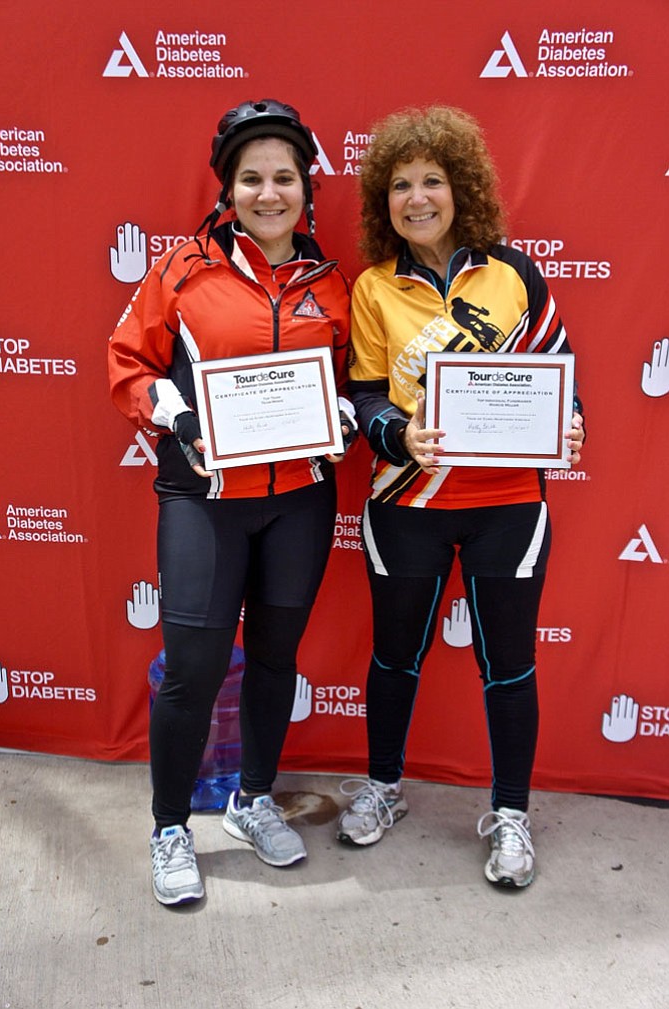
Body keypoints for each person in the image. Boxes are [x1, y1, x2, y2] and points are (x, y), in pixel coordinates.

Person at [108, 99, 354, 906]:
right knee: (193, 669)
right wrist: (172, 411)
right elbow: (126, 363)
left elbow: (350, 380)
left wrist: (347, 414)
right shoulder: (183, 268)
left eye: (284, 176)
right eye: (252, 177)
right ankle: (171, 826)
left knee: (276, 659)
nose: (269, 191)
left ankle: (252, 800)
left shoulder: (330, 281)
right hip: (205, 499)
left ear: (305, 188)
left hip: (300, 503)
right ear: (229, 188)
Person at [336, 104, 585, 888]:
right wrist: (397, 436)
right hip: (407, 502)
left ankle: (511, 813)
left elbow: (561, 375)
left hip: (508, 503)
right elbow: (366, 395)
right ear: (385, 200)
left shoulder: (515, 274)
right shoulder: (374, 287)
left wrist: (572, 425)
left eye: (432, 181)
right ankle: (382, 787)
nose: (417, 197)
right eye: (401, 185)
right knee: (394, 655)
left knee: (508, 663)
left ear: (460, 187)